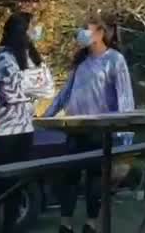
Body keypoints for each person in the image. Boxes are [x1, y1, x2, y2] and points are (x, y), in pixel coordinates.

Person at [44, 15, 136, 233]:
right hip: (76, 128)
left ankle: (91, 223)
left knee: (95, 178)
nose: (82, 33)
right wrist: (48, 116)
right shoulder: (81, 60)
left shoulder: (114, 60)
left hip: (100, 129)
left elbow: (124, 96)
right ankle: (65, 222)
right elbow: (66, 92)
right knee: (70, 176)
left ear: (100, 33)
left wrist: (126, 131)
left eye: (87, 29)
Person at [0, 11, 55, 232]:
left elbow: (48, 88)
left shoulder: (30, 56)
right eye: (32, 26)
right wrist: (30, 86)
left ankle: (10, 228)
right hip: (4, 133)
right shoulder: (3, 56)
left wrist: (25, 84)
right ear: (21, 30)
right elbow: (10, 93)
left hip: (25, 129)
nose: (36, 30)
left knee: (19, 186)